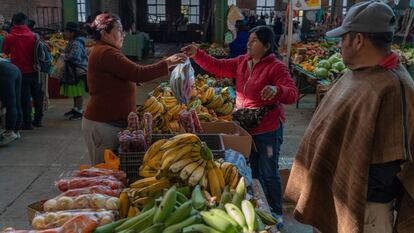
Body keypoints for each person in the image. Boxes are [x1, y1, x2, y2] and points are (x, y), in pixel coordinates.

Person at [285, 2, 414, 233]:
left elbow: (394, 161)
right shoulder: (357, 75)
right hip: (336, 195)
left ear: (358, 40)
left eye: (343, 38)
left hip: (366, 211)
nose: (340, 45)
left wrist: (348, 185)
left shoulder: (394, 87)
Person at [182, 26, 298, 230]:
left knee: (269, 171)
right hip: (246, 128)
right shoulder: (242, 62)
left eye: (254, 41)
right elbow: (217, 66)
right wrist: (197, 54)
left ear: (267, 46)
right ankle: (259, 209)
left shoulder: (276, 67)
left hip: (267, 130)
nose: (249, 43)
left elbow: (292, 93)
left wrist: (276, 89)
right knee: (251, 170)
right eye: (249, 39)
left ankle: (277, 213)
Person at [83, 13, 186, 164]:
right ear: (105, 33)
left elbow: (124, 74)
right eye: (119, 30)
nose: (123, 34)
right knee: (102, 172)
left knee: (109, 170)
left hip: (111, 123)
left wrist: (131, 82)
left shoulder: (105, 50)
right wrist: (168, 62)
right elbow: (138, 73)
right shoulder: (106, 52)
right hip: (104, 125)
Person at [3, 13, 43, 129]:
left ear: (13, 22)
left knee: (24, 97)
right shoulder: (34, 36)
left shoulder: (10, 37)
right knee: (37, 95)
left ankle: (27, 122)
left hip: (19, 71)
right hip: (36, 70)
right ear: (25, 22)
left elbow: (6, 52)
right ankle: (38, 119)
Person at [60, 22, 88, 120]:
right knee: (75, 92)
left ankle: (79, 112)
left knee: (78, 92)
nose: (64, 33)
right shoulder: (73, 41)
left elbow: (75, 56)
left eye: (66, 31)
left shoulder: (76, 43)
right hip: (74, 70)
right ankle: (76, 109)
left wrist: (64, 56)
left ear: (72, 33)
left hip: (78, 71)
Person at [0, 59, 22, 146]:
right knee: (16, 102)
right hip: (14, 68)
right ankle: (16, 131)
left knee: (10, 103)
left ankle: (9, 133)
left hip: (4, 71)